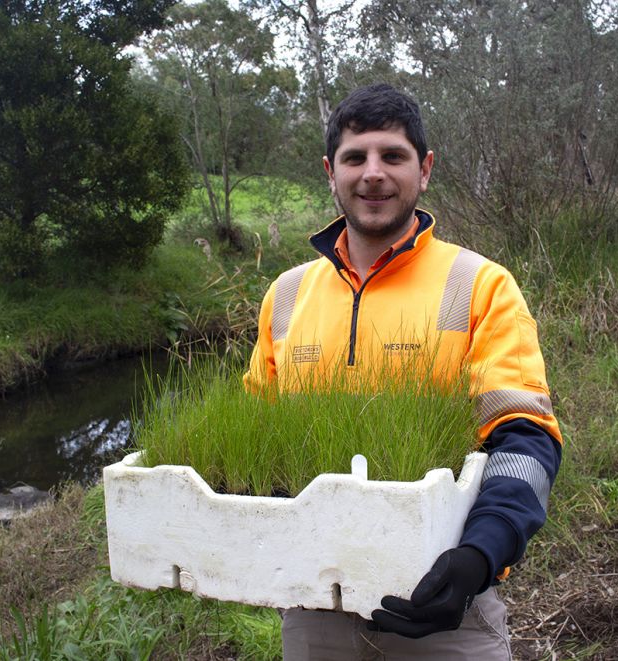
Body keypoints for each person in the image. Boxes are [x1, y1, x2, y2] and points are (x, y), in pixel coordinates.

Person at [243, 83, 563, 660]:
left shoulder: (480, 285)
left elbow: (526, 438)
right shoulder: (285, 295)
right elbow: (253, 445)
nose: (373, 174)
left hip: (443, 604)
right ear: (329, 171)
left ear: (425, 169)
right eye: (355, 157)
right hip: (314, 602)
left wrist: (479, 557)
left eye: (392, 156)